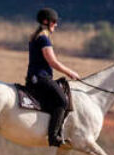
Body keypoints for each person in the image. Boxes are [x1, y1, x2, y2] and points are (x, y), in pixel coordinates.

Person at [26, 8, 80, 147]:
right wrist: (70, 73)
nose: (56, 24)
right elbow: (52, 62)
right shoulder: (44, 39)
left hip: (34, 78)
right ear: (46, 21)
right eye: (54, 22)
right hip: (41, 78)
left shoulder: (36, 37)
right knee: (62, 101)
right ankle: (53, 137)